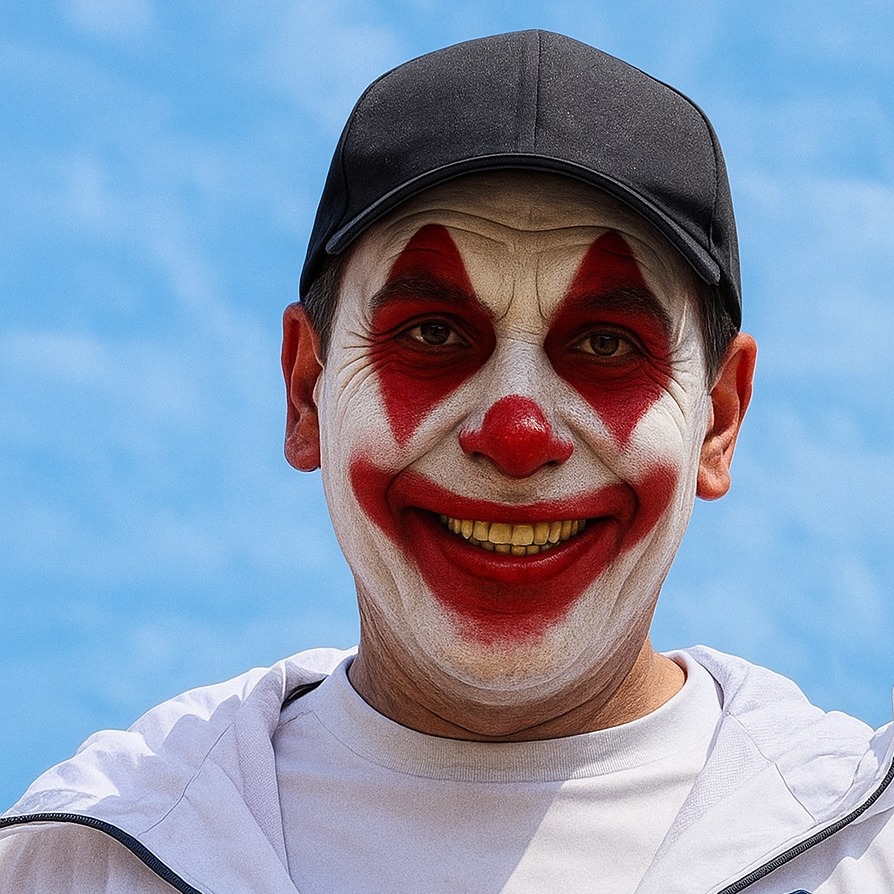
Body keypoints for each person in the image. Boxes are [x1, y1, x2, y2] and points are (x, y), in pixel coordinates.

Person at [1, 30, 892, 894]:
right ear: (307, 392)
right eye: (433, 334)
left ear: (718, 420)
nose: (516, 435)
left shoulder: (868, 853)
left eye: (606, 344)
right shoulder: (76, 865)